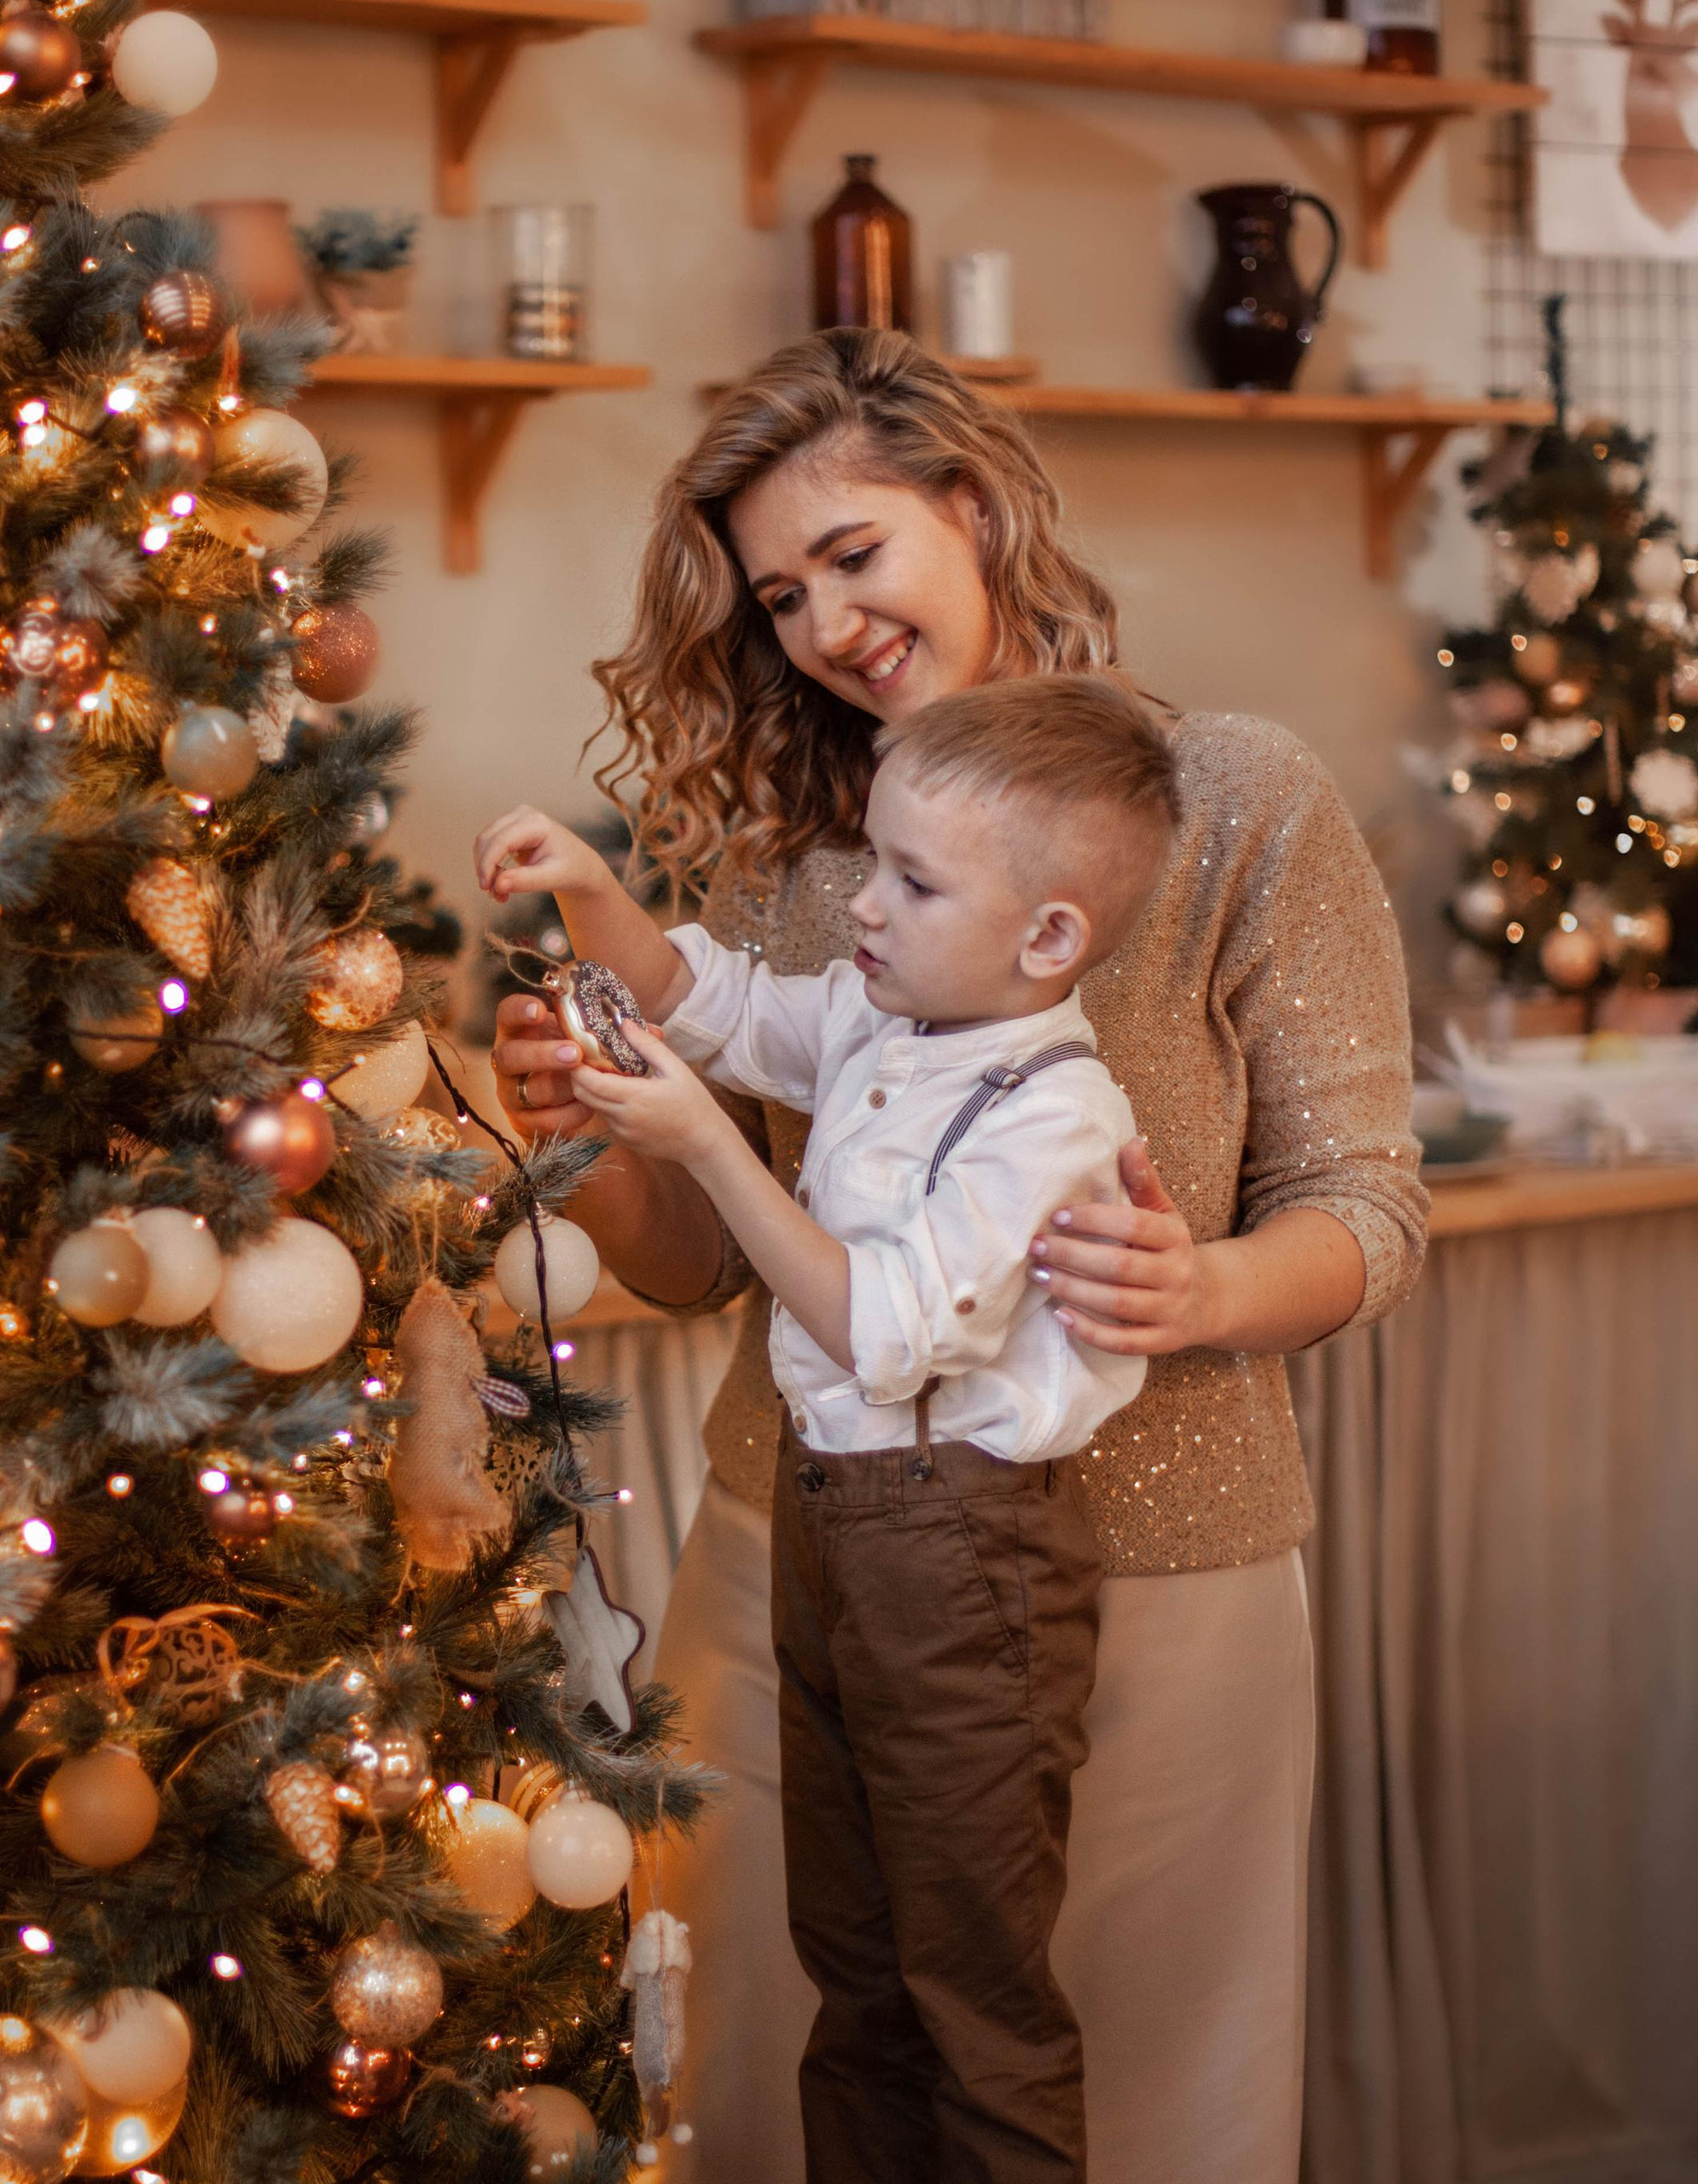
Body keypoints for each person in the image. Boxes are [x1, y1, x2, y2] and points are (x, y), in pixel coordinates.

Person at [489, 328, 1428, 2184]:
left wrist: (1204, 1289)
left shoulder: (1231, 799)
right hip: (795, 1548)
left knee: (1112, 2095)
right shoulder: (799, 853)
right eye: (780, 597)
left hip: (1164, 1574)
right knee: (800, 2069)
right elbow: (713, 1260)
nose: (828, 626)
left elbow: (1366, 1206)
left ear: (975, 508)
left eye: (854, 555)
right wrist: (589, 1144)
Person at [477, 673, 1179, 2180]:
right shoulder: (887, 1014)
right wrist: (591, 891)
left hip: (961, 1554)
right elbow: (713, 1004)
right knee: (854, 1972)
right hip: (833, 1521)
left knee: (973, 2001)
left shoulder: (1051, 1113)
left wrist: (707, 1149)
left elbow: (885, 1327)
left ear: (1048, 938)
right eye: (874, 861)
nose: (864, 905)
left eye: (914, 882)